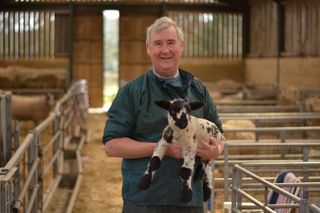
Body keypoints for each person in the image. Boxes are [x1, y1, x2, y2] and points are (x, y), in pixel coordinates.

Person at [102, 16, 224, 213]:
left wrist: (215, 151)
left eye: (170, 42)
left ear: (181, 46)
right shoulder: (133, 91)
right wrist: (164, 149)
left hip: (189, 200)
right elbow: (111, 146)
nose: (165, 50)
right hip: (144, 200)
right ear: (148, 48)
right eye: (158, 43)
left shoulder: (198, 89)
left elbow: (219, 136)